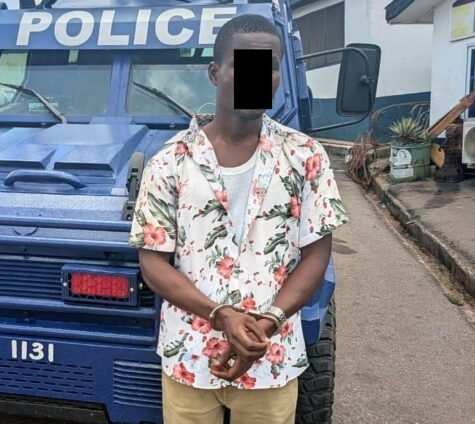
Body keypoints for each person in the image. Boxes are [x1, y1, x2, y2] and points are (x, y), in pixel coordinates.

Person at [129, 14, 349, 424]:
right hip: (189, 357)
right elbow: (153, 262)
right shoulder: (170, 162)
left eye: (269, 66)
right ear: (215, 73)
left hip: (271, 358)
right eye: (243, 65)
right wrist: (220, 316)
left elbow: (317, 255)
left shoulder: (306, 157)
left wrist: (270, 321)